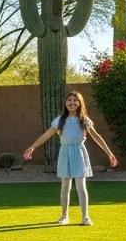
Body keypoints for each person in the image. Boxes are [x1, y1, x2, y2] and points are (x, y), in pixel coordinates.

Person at [23, 90, 118, 225]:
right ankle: (64, 216)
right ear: (65, 103)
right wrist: (32, 147)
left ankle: (85, 217)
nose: (72, 103)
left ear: (80, 103)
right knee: (65, 186)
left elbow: (96, 137)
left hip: (79, 153)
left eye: (75, 100)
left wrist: (109, 153)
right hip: (65, 153)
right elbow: (46, 135)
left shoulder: (84, 120)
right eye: (69, 100)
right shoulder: (60, 120)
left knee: (81, 186)